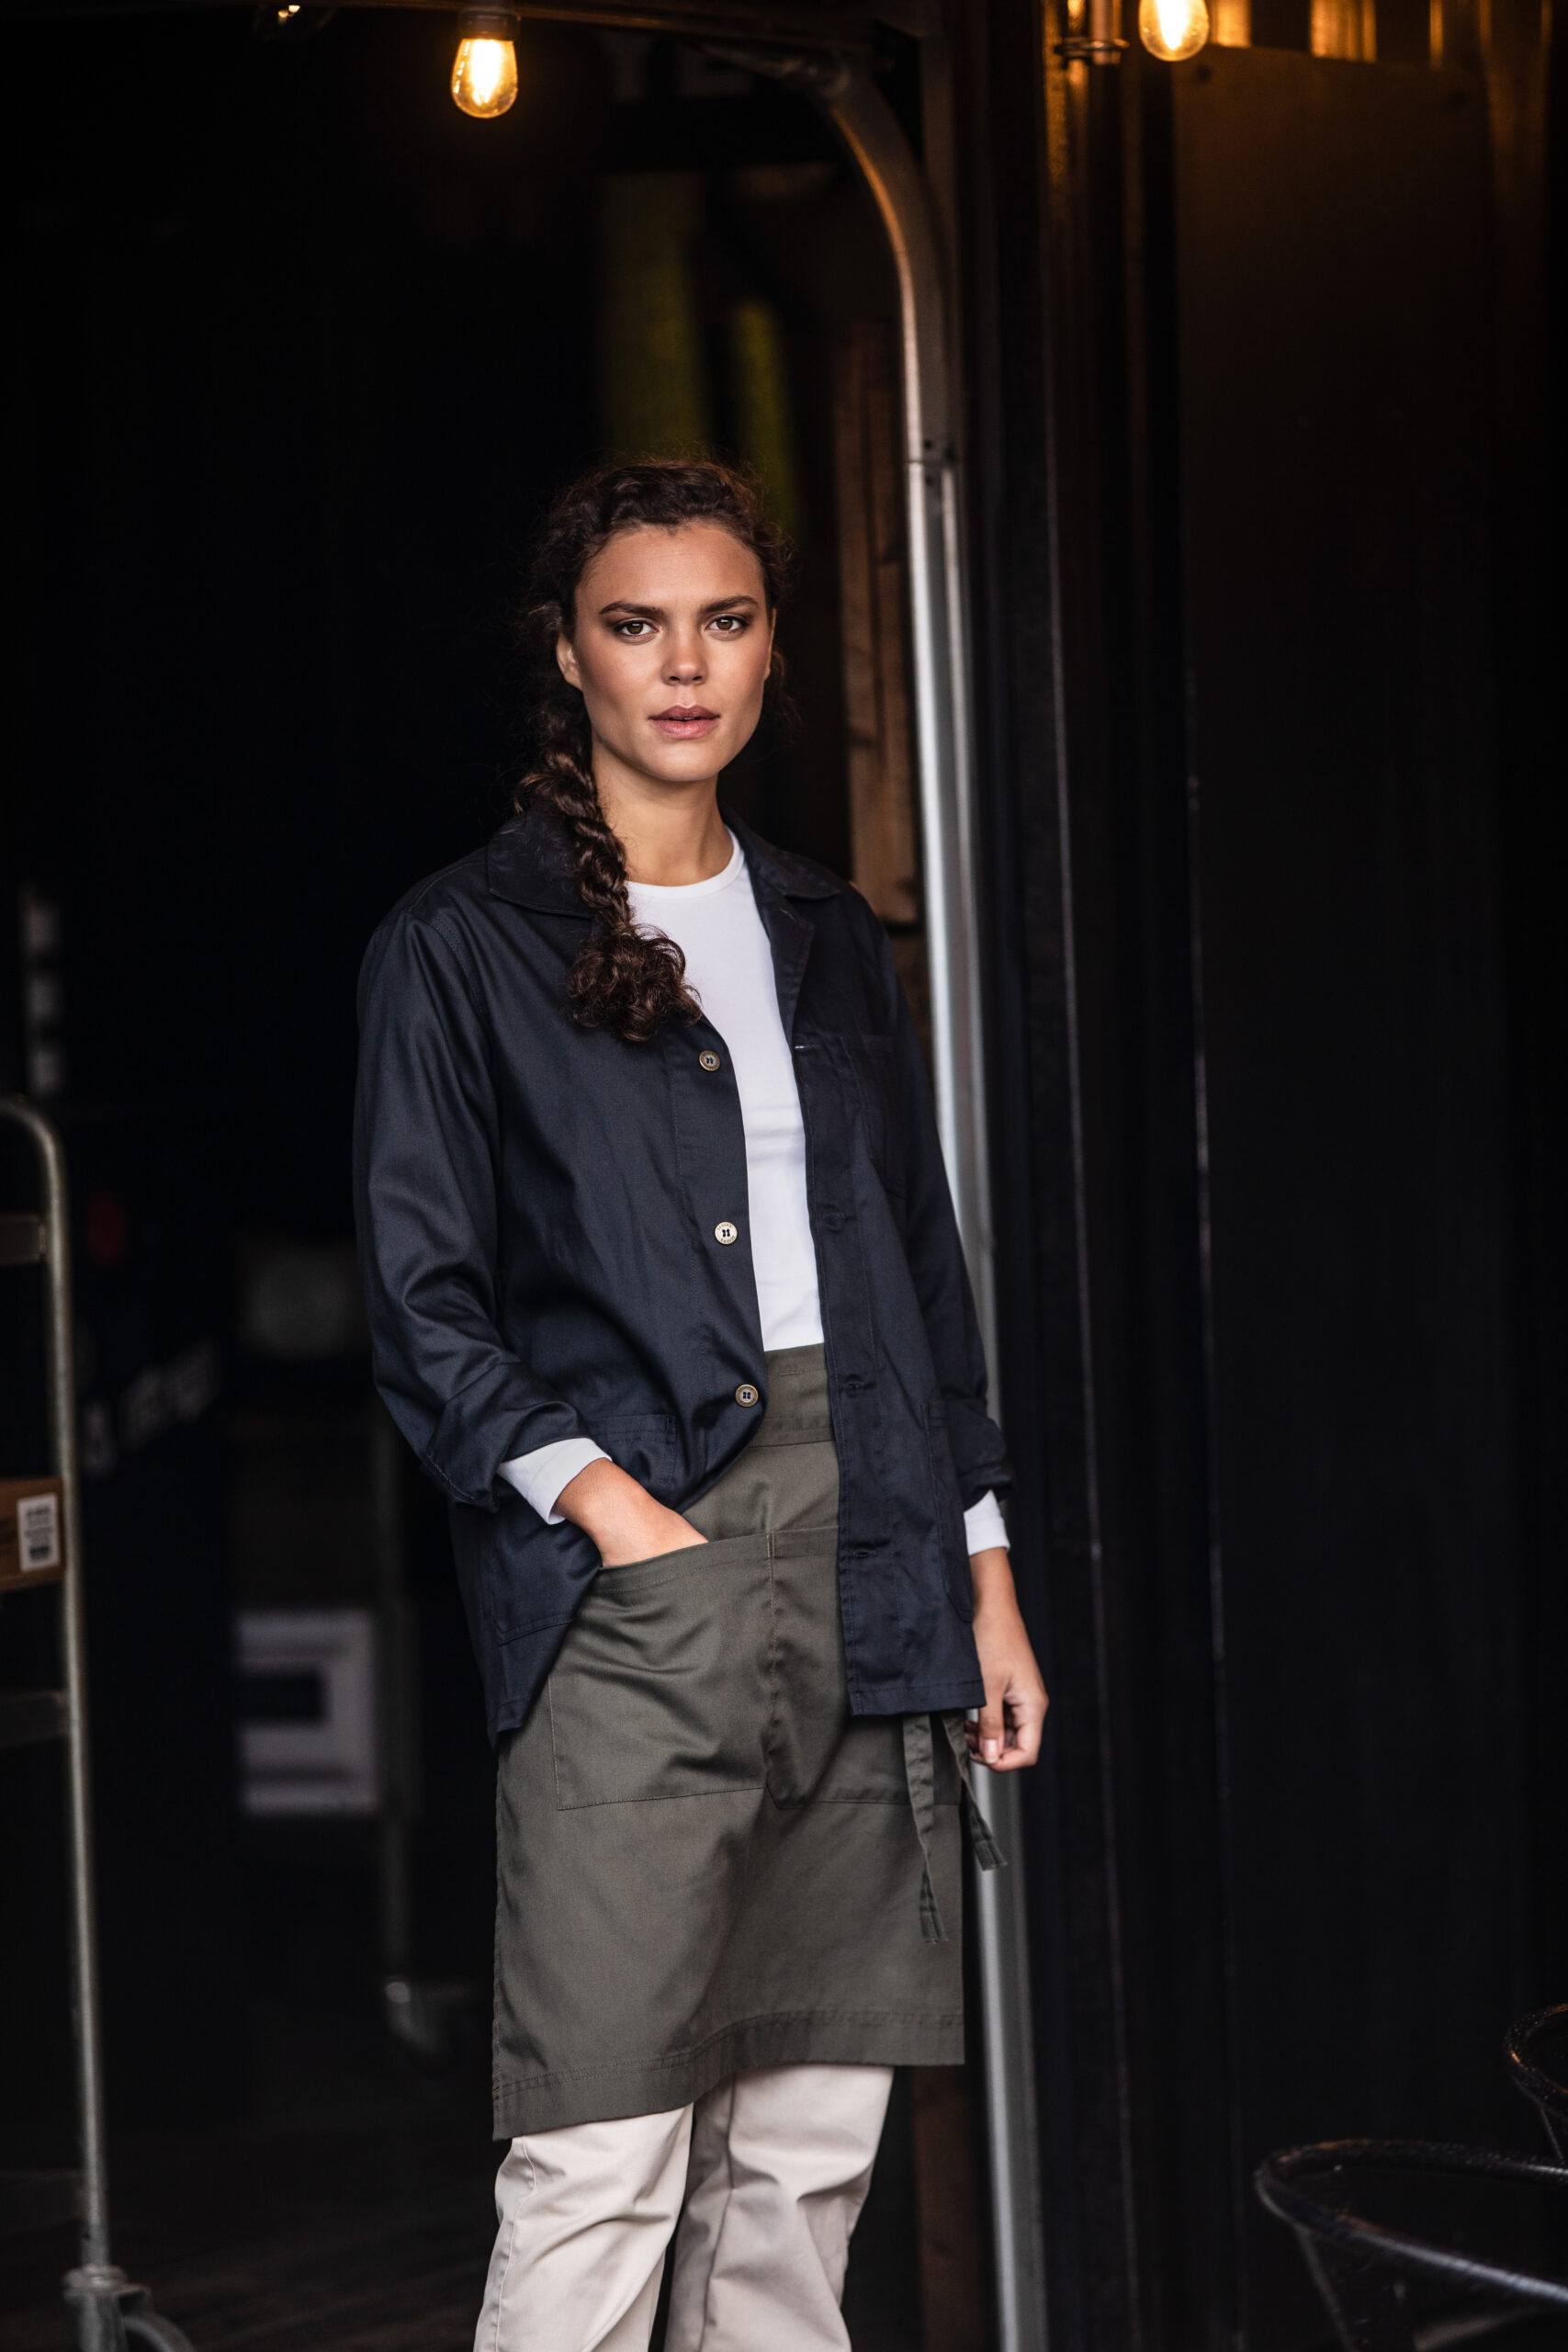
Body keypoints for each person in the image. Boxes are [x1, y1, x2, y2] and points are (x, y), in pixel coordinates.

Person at [354, 459, 1047, 2352]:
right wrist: (609, 1508)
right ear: (566, 654)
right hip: (635, 1571)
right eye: (636, 624)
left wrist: (981, 1570)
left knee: (803, 2155)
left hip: (875, 1546)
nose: (683, 665)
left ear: (767, 652)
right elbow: (422, 1302)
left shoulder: (826, 929)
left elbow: (918, 1274)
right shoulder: (460, 943)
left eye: (724, 622)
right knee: (600, 2150)